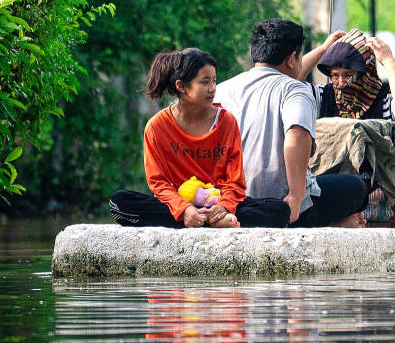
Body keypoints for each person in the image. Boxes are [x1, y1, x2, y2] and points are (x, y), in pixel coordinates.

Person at [109, 47, 294, 228]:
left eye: (214, 81)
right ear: (181, 86)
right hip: (177, 204)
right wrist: (185, 209)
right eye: (205, 82)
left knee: (280, 210)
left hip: (219, 203)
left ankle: (209, 220)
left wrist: (223, 207)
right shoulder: (157, 127)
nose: (213, 89)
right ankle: (206, 222)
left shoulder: (226, 121)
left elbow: (235, 182)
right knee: (119, 202)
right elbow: (158, 183)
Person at [214, 18, 368, 228]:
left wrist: (323, 49)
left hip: (228, 203)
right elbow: (297, 135)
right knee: (356, 189)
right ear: (291, 58)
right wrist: (295, 198)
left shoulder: (222, 90)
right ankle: (333, 224)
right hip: (278, 207)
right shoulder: (295, 89)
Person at [302, 28, 395, 228]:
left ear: (365, 72)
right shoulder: (323, 97)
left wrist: (388, 60)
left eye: (348, 75)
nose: (341, 83)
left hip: (383, 199)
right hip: (335, 199)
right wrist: (323, 50)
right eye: (335, 75)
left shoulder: (384, 100)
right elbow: (285, 83)